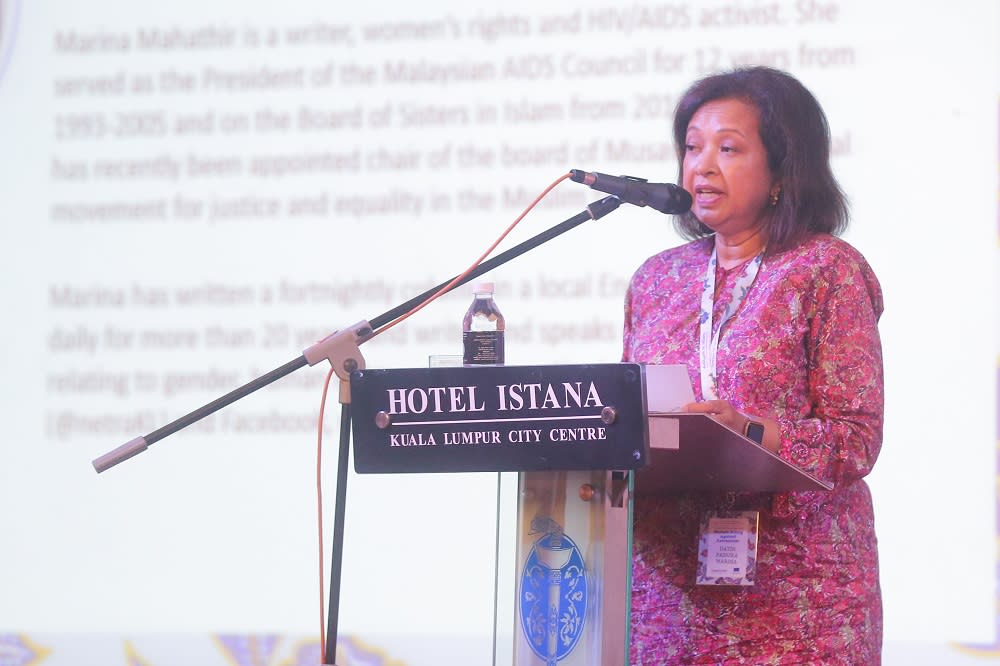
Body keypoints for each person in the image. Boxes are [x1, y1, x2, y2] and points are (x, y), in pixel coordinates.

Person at [623, 66, 884, 664]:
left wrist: (746, 432)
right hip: (667, 599)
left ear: (782, 171)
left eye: (728, 148)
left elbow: (855, 440)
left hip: (798, 599)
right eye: (691, 147)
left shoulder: (826, 270)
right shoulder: (657, 279)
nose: (702, 166)